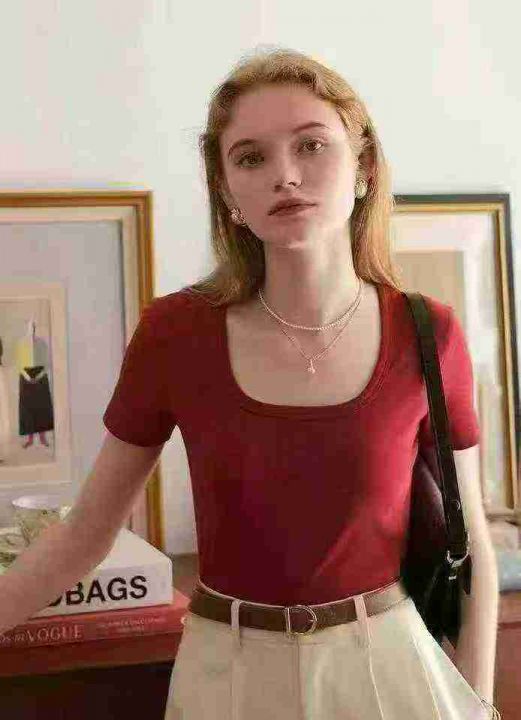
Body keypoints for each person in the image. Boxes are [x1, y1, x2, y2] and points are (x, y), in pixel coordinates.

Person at [0, 47, 499, 719]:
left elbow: (472, 552)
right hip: (227, 672)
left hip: (390, 669)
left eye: (311, 145)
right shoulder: (175, 334)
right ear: (228, 194)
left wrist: (477, 704)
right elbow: (84, 535)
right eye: (251, 158)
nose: (284, 175)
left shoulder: (427, 334)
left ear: (363, 169)